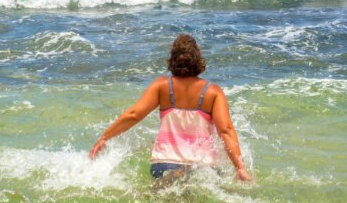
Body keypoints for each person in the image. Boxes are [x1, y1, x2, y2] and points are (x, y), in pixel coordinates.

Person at [89, 34, 252, 182]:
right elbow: (226, 130)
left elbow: (134, 114)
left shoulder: (162, 86)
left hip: (165, 164)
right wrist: (240, 167)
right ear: (198, 59)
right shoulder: (212, 92)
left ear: (172, 59)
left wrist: (105, 137)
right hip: (202, 167)